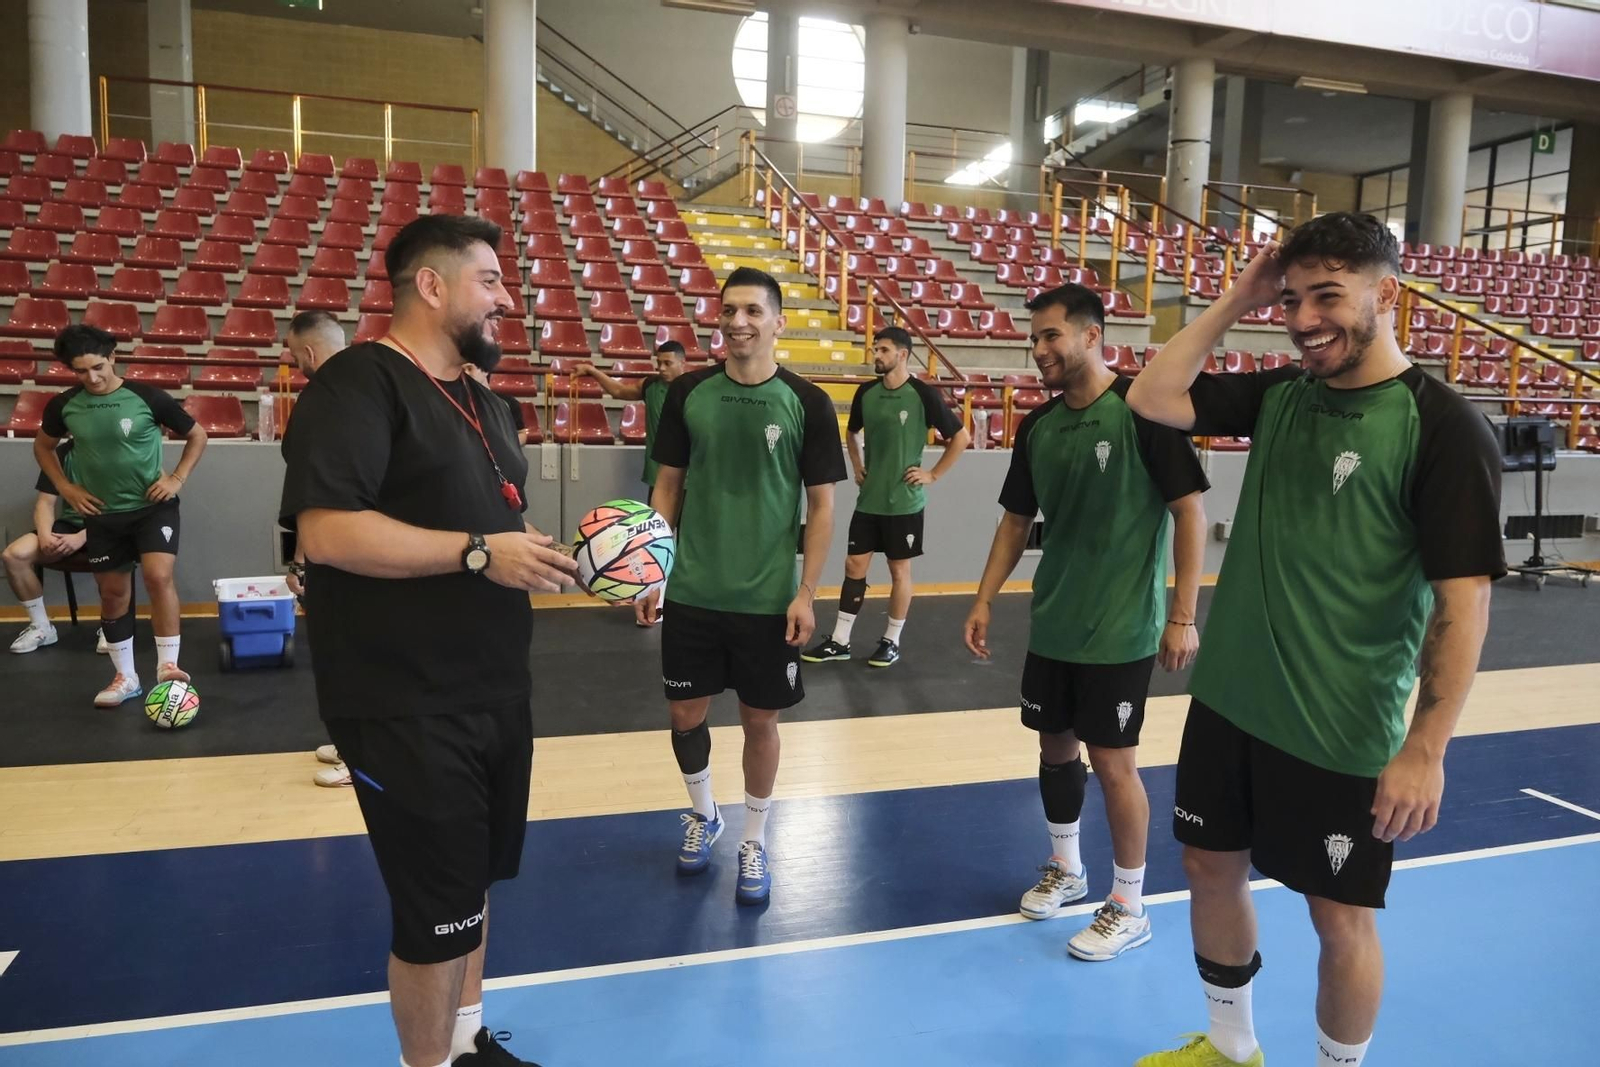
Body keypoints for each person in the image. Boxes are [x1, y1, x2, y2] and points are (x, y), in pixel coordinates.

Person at [1125, 213, 1503, 1067]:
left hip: (1340, 729)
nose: (1301, 320)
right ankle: (1231, 1047)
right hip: (1230, 702)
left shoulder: (1441, 425)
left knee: (1339, 917)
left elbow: (1463, 604)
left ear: (1387, 294)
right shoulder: (1280, 394)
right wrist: (1240, 295)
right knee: (1206, 865)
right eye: (1291, 299)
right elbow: (1152, 397)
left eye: (1326, 296)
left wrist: (1426, 747)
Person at [280, 214, 578, 1067]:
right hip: (403, 700)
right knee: (434, 916)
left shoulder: (486, 402)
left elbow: (493, 532)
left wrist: (595, 564)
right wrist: (480, 552)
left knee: (473, 889)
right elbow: (328, 533)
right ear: (432, 285)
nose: (507, 299)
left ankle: (466, 1041)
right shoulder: (359, 384)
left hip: (491, 687)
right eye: (490, 280)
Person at [961, 284, 1208, 962]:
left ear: (1092, 336)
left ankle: (1129, 902)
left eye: (1050, 336)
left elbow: (1189, 511)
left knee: (1114, 760)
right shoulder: (1036, 426)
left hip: (1123, 624)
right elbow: (1016, 520)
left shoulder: (1144, 411)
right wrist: (984, 597)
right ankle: (1066, 867)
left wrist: (1183, 615)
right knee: (1055, 745)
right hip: (1057, 620)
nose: (1038, 349)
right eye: (1033, 338)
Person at [635, 266, 844, 905]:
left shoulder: (807, 401)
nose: (737, 322)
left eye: (753, 311)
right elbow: (667, 486)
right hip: (693, 591)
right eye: (729, 310)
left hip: (766, 600)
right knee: (683, 715)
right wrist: (653, 568)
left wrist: (806, 591)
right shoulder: (688, 393)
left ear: (778, 322)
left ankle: (754, 838)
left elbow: (822, 506)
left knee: (760, 722)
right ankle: (704, 814)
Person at [34, 325, 208, 707]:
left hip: (152, 508)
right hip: (103, 514)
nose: (92, 378)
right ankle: (126, 677)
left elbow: (198, 435)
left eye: (98, 366)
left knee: (158, 576)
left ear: (113, 356)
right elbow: (44, 447)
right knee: (113, 594)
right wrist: (66, 487)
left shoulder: (148, 397)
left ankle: (168, 668)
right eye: (81, 371)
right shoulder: (63, 405)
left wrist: (177, 478)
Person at [803, 326, 969, 668]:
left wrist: (932, 474)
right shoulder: (866, 393)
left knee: (899, 571)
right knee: (854, 565)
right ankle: (840, 641)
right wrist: (857, 463)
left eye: (883, 350)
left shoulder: (923, 394)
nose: (876, 356)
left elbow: (961, 437)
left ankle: (891, 641)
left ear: (903, 354)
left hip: (905, 503)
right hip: (870, 501)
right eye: (875, 349)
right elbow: (851, 433)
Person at [284, 311, 354, 787]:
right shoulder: (362, 388)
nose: (294, 364)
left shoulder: (330, 399)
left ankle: (366, 756)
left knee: (361, 657)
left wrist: (300, 560)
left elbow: (320, 492)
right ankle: (354, 744)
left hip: (353, 553)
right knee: (347, 656)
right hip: (353, 548)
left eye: (294, 355)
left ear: (309, 353)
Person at [4, 441, 106, 655]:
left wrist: (82, 537)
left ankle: (113, 628)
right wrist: (44, 535)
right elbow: (45, 503)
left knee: (110, 556)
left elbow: (126, 509)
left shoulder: (120, 448)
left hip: (109, 527)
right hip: (68, 526)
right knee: (14, 555)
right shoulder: (62, 453)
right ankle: (42, 627)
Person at [573, 340, 687, 505]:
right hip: (658, 478)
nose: (661, 368)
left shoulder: (695, 389)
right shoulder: (650, 386)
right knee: (657, 529)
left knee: (687, 531)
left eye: (667, 363)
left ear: (682, 363)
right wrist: (592, 371)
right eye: (659, 363)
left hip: (689, 479)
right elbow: (619, 391)